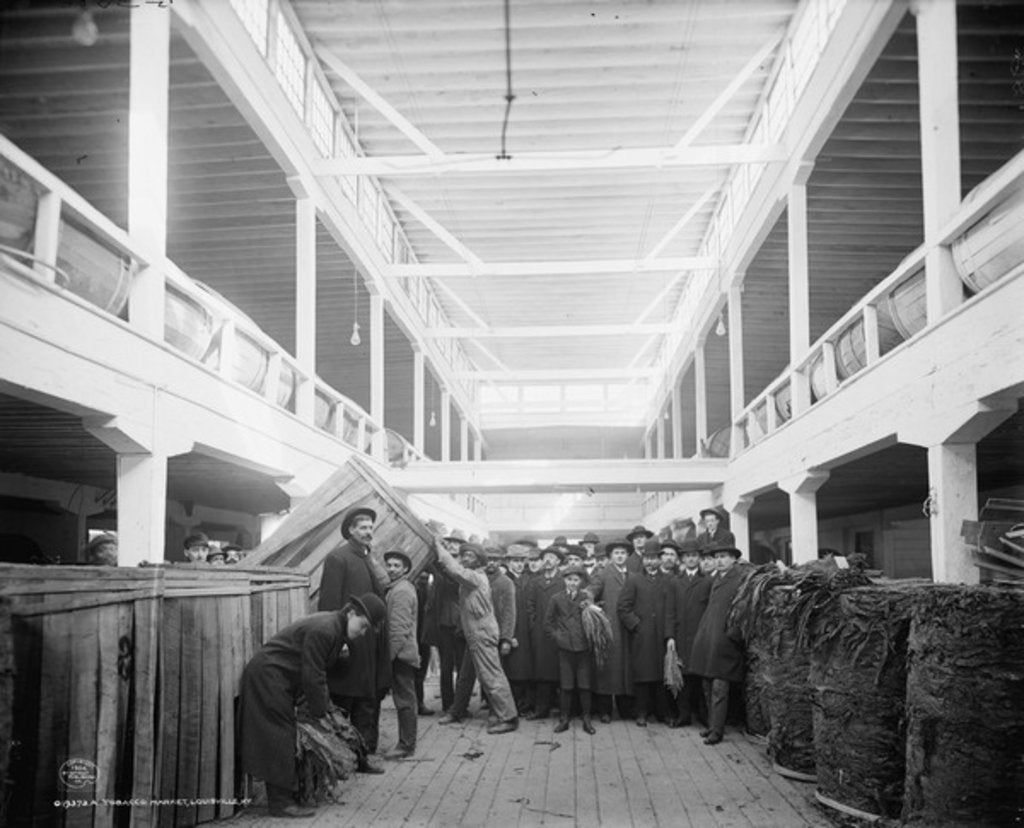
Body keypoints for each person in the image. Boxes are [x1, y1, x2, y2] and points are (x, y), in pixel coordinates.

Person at [239, 593, 386, 818]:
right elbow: (314, 675)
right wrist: (322, 714)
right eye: (363, 626)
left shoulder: (334, 627)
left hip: (279, 678)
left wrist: (322, 709)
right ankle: (280, 804)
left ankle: (288, 796)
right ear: (351, 613)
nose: (362, 633)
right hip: (268, 677)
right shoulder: (326, 630)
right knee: (279, 735)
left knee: (283, 735)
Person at [317, 506, 389, 771]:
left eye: (370, 527)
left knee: (368, 697)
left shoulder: (367, 557)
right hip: (350, 642)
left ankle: (362, 756)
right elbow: (329, 603)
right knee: (346, 697)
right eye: (362, 527)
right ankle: (340, 758)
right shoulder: (338, 558)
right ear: (350, 531)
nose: (368, 532)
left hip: (369, 642)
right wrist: (340, 642)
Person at [435, 540, 519, 733]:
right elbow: (449, 571)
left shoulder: (475, 577)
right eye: (463, 555)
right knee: (466, 676)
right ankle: (458, 711)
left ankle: (508, 717)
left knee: (491, 676)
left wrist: (438, 546)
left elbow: (455, 570)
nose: (465, 558)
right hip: (474, 633)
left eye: (470, 556)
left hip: (482, 633)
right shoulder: (472, 577)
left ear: (479, 560)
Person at [689, 543, 746, 745]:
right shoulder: (715, 579)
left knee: (719, 687)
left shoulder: (739, 579)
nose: (720, 560)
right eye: (717, 557)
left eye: (724, 556)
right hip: (709, 638)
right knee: (707, 684)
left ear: (733, 559)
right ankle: (712, 725)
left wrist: (733, 635)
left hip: (724, 641)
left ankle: (717, 731)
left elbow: (743, 610)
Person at [618, 539, 668, 726]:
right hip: (642, 636)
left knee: (661, 675)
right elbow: (623, 607)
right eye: (647, 558)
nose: (650, 562)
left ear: (660, 560)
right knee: (642, 676)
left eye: (654, 558)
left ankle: (662, 713)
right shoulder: (634, 580)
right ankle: (641, 712)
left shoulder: (668, 580)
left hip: (661, 635)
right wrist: (636, 625)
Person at [664, 538, 712, 728]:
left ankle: (703, 715)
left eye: (694, 556)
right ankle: (683, 715)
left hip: (701, 636)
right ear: (682, 559)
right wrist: (670, 637)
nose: (691, 559)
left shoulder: (707, 581)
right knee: (682, 677)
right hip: (681, 636)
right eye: (687, 556)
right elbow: (669, 611)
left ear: (699, 558)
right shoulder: (675, 582)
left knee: (700, 677)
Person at [544, 564, 596, 734]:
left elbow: (595, 620)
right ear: (564, 580)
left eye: (576, 580)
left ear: (580, 581)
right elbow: (548, 623)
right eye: (569, 579)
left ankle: (587, 719)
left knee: (584, 685)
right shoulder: (556, 599)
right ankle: (564, 718)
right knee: (566, 685)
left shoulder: (586, 598)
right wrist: (558, 637)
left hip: (583, 647)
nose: (572, 583)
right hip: (565, 648)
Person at [588, 539, 634, 721]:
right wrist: (592, 607)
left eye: (623, 553)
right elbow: (591, 591)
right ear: (610, 556)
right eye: (616, 553)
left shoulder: (633, 575)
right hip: (610, 627)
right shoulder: (604, 574)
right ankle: (605, 710)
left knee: (625, 669)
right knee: (608, 669)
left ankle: (625, 708)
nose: (620, 556)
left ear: (628, 555)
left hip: (628, 628)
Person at [382, 551, 419, 759]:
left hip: (401, 655)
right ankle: (406, 743)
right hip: (401, 653)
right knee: (404, 699)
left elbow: (398, 630)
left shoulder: (402, 591)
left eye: (397, 566)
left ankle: (406, 745)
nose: (392, 569)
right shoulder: (397, 588)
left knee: (405, 701)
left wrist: (388, 658)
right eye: (389, 565)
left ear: (405, 569)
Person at [524, 546, 564, 719]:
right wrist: (534, 626)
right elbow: (530, 606)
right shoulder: (536, 582)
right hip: (540, 633)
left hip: (560, 632)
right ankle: (541, 709)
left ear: (559, 562)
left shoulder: (564, 581)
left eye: (552, 557)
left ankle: (565, 709)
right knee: (541, 671)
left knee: (562, 671)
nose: (548, 560)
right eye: (545, 557)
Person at [504, 545, 534, 713]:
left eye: (522, 561)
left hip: (526, 630)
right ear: (508, 562)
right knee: (511, 669)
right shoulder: (504, 580)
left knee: (525, 669)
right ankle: (512, 705)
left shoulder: (528, 580)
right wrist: (507, 635)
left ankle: (524, 703)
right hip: (511, 630)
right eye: (515, 561)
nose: (519, 565)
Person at [414, 569, 436, 716]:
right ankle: (418, 703)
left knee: (418, 673)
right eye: (422, 578)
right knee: (418, 673)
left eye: (425, 578)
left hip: (422, 635)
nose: (424, 580)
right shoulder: (419, 590)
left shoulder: (424, 589)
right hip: (419, 636)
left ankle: (418, 703)